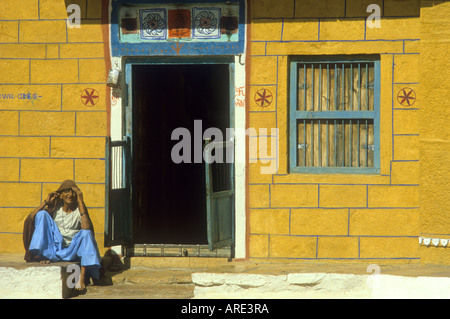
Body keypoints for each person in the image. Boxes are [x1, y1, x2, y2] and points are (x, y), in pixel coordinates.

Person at [23, 179, 101, 291]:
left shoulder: (79, 210)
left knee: (86, 233)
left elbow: (87, 227)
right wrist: (46, 202)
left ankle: (82, 278)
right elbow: (32, 218)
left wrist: (80, 201)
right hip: (55, 249)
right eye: (66, 191)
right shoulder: (55, 209)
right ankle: (43, 255)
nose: (70, 194)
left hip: (73, 250)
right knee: (42, 214)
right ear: (61, 195)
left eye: (73, 192)